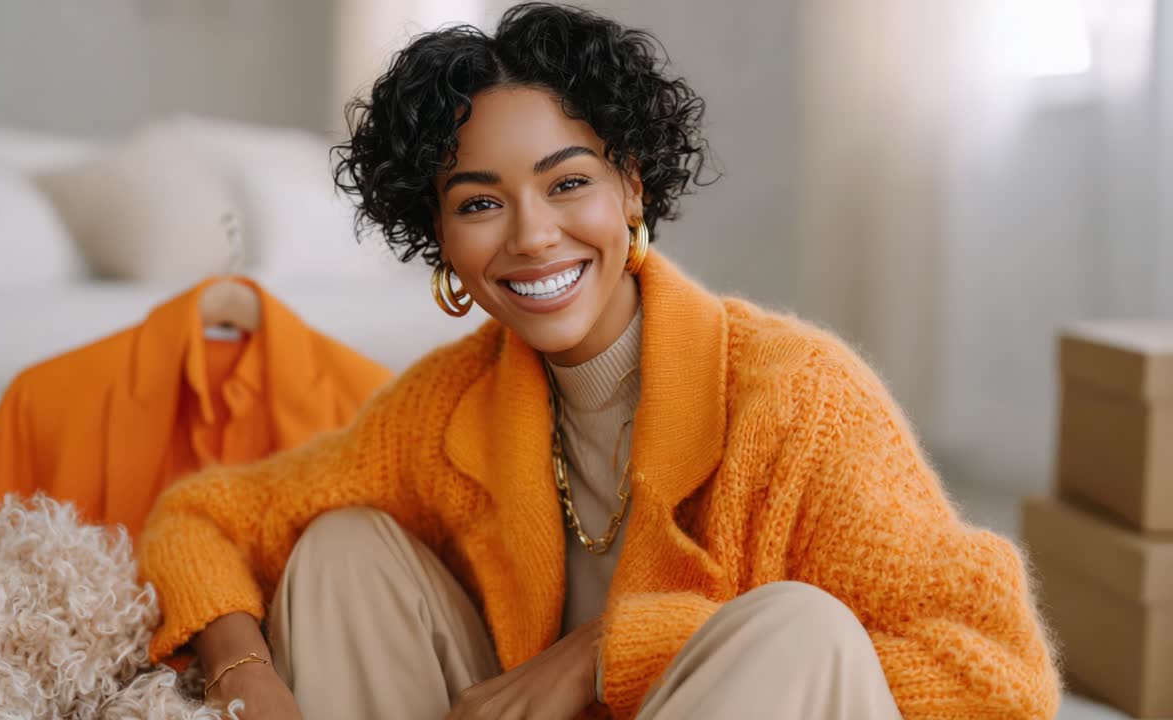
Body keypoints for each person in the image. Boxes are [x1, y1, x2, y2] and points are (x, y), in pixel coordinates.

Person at [136, 4, 1060, 719]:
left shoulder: (798, 398)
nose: (534, 238)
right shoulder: (443, 406)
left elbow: (998, 680)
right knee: (340, 552)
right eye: (479, 203)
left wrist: (605, 653)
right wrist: (242, 672)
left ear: (632, 188)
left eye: (568, 183)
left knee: (800, 625)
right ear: (442, 241)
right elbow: (200, 518)